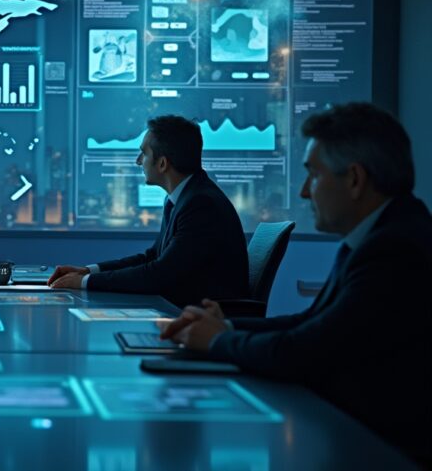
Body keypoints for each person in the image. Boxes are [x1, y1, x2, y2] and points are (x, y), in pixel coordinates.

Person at [160, 103, 431, 465]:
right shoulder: (379, 236)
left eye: (313, 175)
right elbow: (312, 322)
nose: (304, 192)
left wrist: (220, 340)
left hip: (375, 449)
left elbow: (307, 349)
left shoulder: (394, 249)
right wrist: (225, 326)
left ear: (354, 179)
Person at [49, 115, 248, 308]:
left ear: (162, 163)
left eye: (144, 153)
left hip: (202, 323)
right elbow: (152, 258)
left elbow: (159, 274)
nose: (138, 161)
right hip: (183, 311)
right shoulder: (186, 197)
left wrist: (85, 282)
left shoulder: (201, 205)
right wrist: (87, 272)